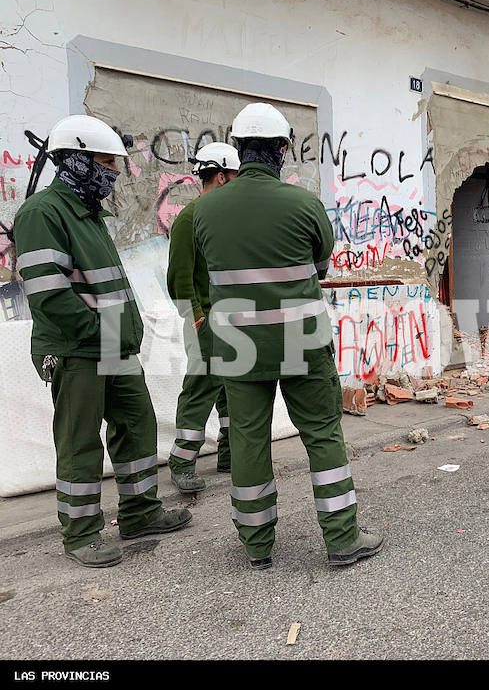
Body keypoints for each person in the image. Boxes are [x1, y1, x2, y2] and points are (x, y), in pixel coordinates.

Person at [193, 103, 383, 569]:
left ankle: (257, 545)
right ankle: (342, 538)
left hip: (239, 343)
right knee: (321, 434)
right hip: (300, 338)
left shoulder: (204, 210)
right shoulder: (304, 204)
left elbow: (209, 267)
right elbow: (319, 268)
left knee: (248, 438)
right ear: (281, 149)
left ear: (238, 150)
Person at [13, 115, 191, 567]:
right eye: (106, 161)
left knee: (136, 424)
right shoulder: (42, 213)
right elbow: (48, 294)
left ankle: (139, 512)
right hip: (76, 348)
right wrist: (100, 333)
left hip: (109, 342)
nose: (114, 171)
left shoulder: (89, 214)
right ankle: (81, 534)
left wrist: (120, 333)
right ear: (75, 161)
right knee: (80, 442)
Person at [166, 143, 240, 493]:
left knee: (231, 389)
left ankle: (229, 455)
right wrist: (196, 319)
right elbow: (179, 276)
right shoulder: (190, 217)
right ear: (222, 176)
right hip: (206, 318)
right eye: (236, 177)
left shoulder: (231, 215)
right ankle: (182, 462)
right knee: (201, 388)